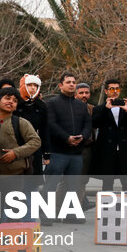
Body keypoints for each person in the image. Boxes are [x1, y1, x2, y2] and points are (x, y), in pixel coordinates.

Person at [0, 87, 41, 230]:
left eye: (14, 101)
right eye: (7, 98)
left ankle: (16, 251)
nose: (11, 102)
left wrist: (16, 153)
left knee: (15, 218)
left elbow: (35, 142)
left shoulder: (21, 123)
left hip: (16, 178)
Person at [43, 73, 92, 225]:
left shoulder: (81, 106)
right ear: (60, 85)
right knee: (51, 185)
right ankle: (46, 216)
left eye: (73, 82)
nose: (72, 84)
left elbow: (88, 125)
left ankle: (71, 215)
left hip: (76, 153)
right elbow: (51, 124)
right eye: (68, 82)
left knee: (73, 186)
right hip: (58, 152)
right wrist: (66, 138)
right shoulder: (52, 103)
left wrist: (82, 137)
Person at [14, 75, 49, 177]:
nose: (33, 88)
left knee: (33, 182)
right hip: (16, 147)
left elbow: (44, 130)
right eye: (29, 85)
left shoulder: (41, 106)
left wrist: (46, 153)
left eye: (36, 85)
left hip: (34, 147)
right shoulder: (15, 103)